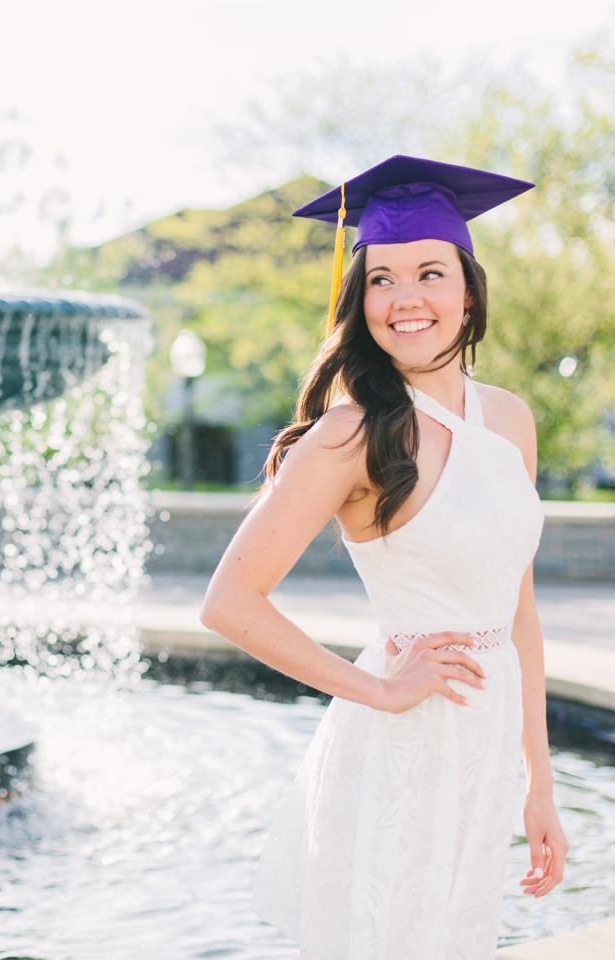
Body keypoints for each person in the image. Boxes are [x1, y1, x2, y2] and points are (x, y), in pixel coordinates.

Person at [199, 156, 568, 959]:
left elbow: (519, 614)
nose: (406, 300)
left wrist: (539, 781)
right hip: (404, 745)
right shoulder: (351, 435)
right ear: (358, 297)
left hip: (484, 742)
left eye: (430, 274)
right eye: (381, 280)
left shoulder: (509, 420)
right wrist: (381, 689)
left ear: (467, 288)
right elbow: (229, 602)